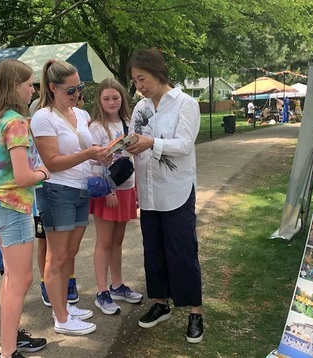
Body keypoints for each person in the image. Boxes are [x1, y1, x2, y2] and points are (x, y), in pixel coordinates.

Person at [125, 48, 204, 344]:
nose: (139, 86)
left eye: (142, 78)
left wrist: (150, 143)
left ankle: (195, 311)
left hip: (177, 190)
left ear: (158, 73)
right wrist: (123, 147)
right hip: (148, 191)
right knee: (153, 251)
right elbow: (135, 140)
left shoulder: (186, 103)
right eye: (134, 81)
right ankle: (160, 303)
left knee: (182, 251)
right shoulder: (140, 108)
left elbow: (184, 145)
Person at [30, 59, 110, 335]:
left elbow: (89, 149)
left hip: (81, 189)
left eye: (80, 87)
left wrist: (104, 152)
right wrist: (89, 154)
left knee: (70, 253)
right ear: (52, 88)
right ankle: (62, 318)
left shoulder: (83, 114)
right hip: (57, 190)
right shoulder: (44, 117)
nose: (76, 93)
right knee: (57, 256)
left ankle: (62, 305)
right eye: (70, 89)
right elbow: (51, 162)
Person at [0, 59, 50, 358]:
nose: (33, 90)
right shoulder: (16, 122)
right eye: (29, 84)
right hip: (14, 204)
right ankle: (7, 352)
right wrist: (44, 173)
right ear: (14, 87)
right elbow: (22, 176)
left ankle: (9, 342)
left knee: (11, 277)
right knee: (21, 279)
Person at [89, 78, 142, 315]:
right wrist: (108, 189)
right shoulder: (97, 127)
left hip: (127, 187)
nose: (112, 102)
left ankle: (117, 285)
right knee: (105, 241)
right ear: (99, 101)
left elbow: (134, 157)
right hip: (107, 191)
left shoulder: (129, 123)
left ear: (123, 98)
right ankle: (102, 291)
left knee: (118, 241)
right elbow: (95, 161)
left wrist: (136, 188)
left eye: (116, 97)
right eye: (106, 98)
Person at [29, 103, 79, 308]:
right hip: (42, 191)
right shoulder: (33, 122)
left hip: (63, 187)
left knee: (67, 243)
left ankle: (69, 280)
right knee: (45, 242)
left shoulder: (67, 119)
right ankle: (45, 282)